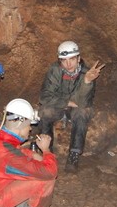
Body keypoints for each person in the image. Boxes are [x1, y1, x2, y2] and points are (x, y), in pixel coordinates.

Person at [38, 40, 105, 173]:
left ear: (78, 59)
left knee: (82, 112)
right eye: (64, 60)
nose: (68, 64)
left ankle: (74, 155)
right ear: (60, 61)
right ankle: (47, 152)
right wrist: (66, 102)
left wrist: (87, 82)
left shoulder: (87, 73)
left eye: (72, 59)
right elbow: (44, 97)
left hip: (75, 108)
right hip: (59, 106)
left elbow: (84, 103)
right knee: (44, 111)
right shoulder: (55, 70)